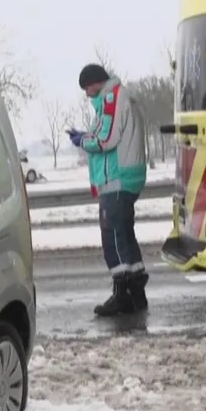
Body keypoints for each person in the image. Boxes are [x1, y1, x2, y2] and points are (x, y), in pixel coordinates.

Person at [69, 63, 148, 317]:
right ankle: (137, 294)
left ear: (94, 82)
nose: (86, 94)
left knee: (112, 237)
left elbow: (106, 140)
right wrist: (85, 135)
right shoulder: (119, 99)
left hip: (116, 179)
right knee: (125, 235)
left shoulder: (112, 98)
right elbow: (107, 132)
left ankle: (122, 295)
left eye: (86, 88)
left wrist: (83, 141)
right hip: (126, 178)